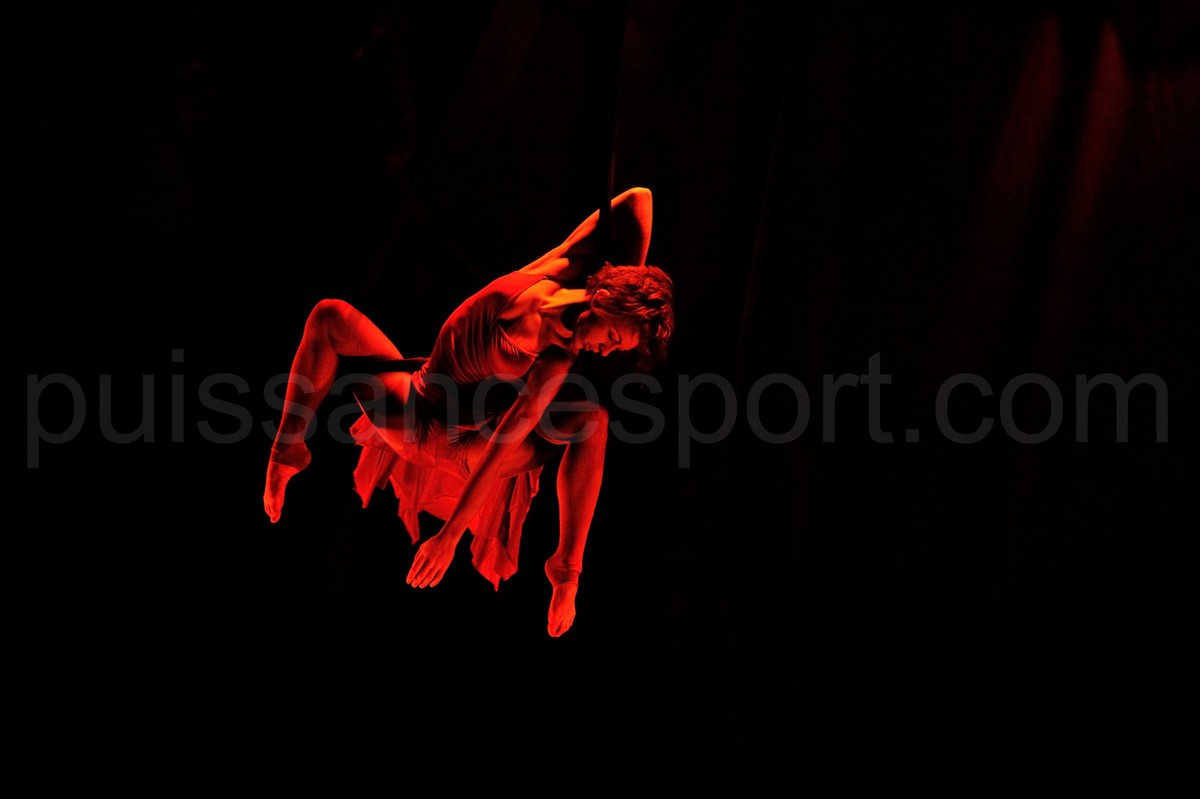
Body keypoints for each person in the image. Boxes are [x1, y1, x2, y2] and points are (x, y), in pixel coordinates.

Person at [263, 187, 673, 637]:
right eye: (613, 339)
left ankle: (566, 569)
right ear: (605, 301)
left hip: (467, 448)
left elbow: (500, 451)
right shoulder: (560, 267)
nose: (606, 353)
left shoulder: (556, 361)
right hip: (416, 407)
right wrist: (634, 281)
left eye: (616, 349)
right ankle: (288, 450)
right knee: (329, 316)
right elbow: (639, 199)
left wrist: (450, 537)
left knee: (593, 421)